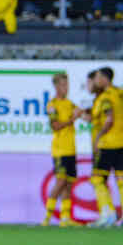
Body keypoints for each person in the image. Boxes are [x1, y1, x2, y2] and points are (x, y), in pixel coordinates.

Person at [89, 67, 123, 228]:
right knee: (121, 178)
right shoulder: (121, 93)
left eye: (98, 77)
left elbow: (109, 120)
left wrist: (98, 137)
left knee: (97, 178)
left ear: (105, 79)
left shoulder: (105, 97)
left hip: (109, 142)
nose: (96, 80)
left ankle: (107, 213)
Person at [42, 73, 83, 227]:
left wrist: (86, 113)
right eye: (63, 85)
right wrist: (72, 119)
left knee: (69, 184)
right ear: (56, 86)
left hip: (71, 149)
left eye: (67, 84)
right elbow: (55, 126)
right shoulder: (52, 105)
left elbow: (84, 115)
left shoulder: (70, 104)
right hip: (60, 149)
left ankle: (65, 218)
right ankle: (47, 217)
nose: (66, 88)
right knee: (60, 181)